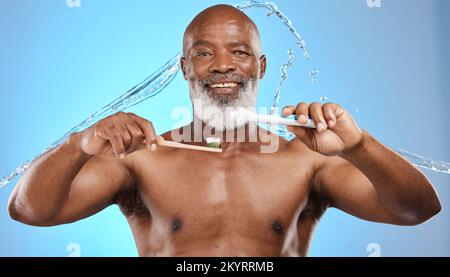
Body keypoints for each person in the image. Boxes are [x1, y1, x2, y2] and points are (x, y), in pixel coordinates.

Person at [8, 4, 441, 256]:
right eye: (203, 54)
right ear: (184, 68)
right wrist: (79, 145)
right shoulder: (144, 157)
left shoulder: (304, 161)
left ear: (261, 67)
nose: (222, 66)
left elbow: (418, 210)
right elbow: (30, 210)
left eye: (239, 51)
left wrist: (359, 147)